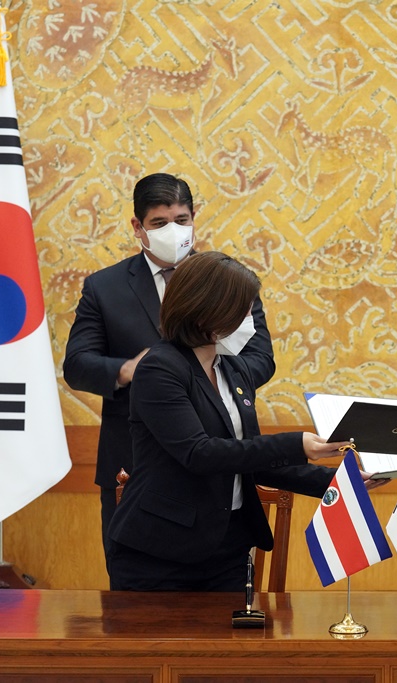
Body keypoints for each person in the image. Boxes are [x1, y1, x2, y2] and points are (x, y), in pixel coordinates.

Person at [63, 173, 275, 572]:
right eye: (160, 223)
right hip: (133, 465)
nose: (173, 231)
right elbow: (77, 366)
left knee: (220, 594)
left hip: (218, 458)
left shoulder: (227, 280)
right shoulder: (104, 288)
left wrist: (202, 373)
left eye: (181, 219)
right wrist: (132, 370)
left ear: (195, 217)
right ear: (138, 227)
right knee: (137, 603)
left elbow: (261, 357)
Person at [106, 251, 349, 591]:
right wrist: (298, 444)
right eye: (244, 310)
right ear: (209, 312)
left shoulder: (232, 369)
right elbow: (200, 453)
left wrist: (340, 481)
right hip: (160, 554)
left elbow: (250, 459)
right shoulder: (159, 369)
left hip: (227, 547)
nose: (251, 320)